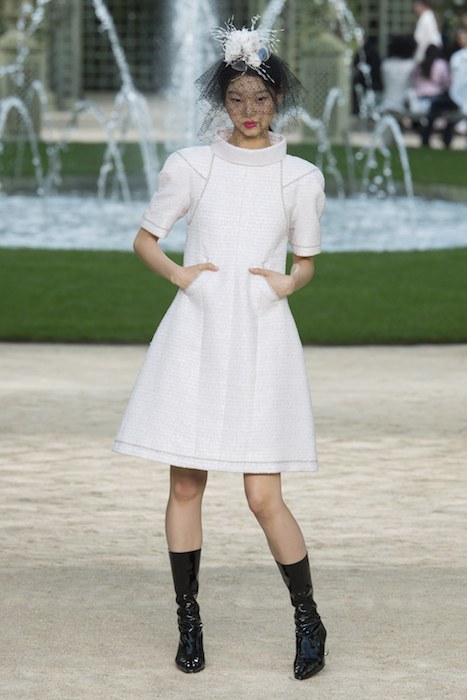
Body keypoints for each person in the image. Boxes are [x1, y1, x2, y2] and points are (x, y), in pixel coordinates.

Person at [113, 17, 327, 681]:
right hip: (197, 333)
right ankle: (189, 622)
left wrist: (288, 282)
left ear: (277, 99)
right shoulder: (191, 166)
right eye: (236, 99)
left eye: (259, 98)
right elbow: (145, 239)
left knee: (263, 496)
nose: (249, 111)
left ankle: (308, 619)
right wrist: (182, 277)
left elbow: (306, 262)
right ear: (221, 101)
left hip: (262, 335)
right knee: (186, 483)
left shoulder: (300, 177)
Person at [420, 24, 467, 147]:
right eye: (460, 38)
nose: (462, 40)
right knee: (439, 108)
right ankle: (436, 139)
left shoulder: (458, 57)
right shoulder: (456, 56)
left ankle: (440, 138)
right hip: (455, 94)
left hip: (460, 95)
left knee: (445, 110)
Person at [379, 35, 417, 114]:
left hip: (386, 103)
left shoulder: (386, 64)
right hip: (403, 106)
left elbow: (384, 83)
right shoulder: (411, 65)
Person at [410, 44, 450, 115]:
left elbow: (415, 82)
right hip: (436, 97)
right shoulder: (440, 63)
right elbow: (446, 82)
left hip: (420, 96)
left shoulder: (420, 65)